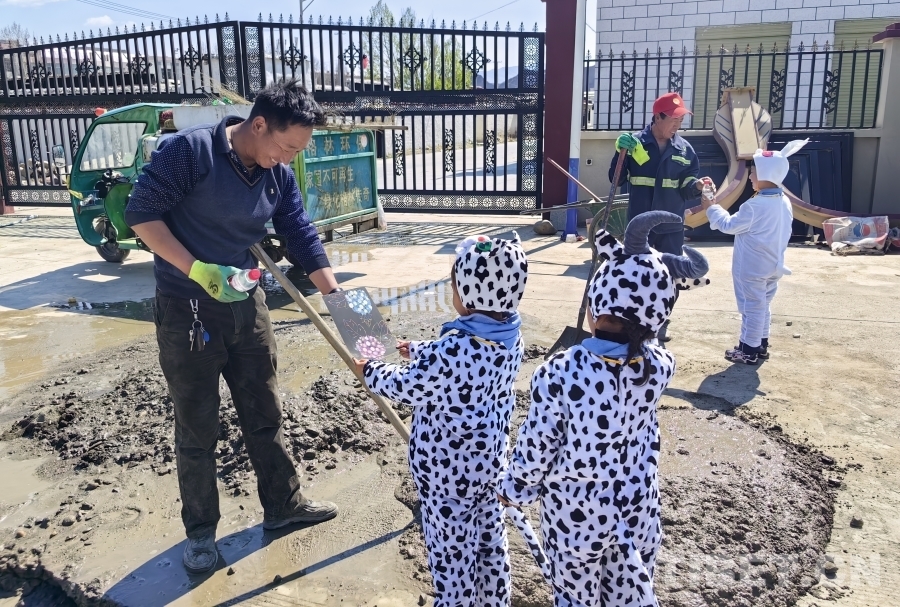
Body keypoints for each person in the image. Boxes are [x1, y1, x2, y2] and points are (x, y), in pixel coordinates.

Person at [124, 80, 340, 573]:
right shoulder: (191, 152)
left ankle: (283, 505)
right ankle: (201, 532)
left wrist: (342, 302)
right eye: (287, 147)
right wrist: (196, 269)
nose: (289, 159)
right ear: (258, 124)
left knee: (265, 409)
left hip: (247, 304)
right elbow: (141, 214)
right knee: (198, 424)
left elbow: (300, 233)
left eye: (297, 152)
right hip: (188, 311)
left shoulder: (277, 175)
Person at [497, 211, 709, 607]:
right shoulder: (660, 367)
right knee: (627, 592)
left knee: (576, 596)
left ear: (596, 300)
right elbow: (647, 336)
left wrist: (515, 489)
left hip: (575, 518)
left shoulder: (560, 372)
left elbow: (538, 445)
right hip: (637, 507)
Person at [353, 234, 529, 607]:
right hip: (489, 464)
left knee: (452, 553)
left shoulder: (452, 351)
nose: (452, 293)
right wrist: (418, 349)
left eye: (453, 286)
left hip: (447, 475)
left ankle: (454, 601)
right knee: (489, 541)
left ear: (468, 293)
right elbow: (463, 359)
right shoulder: (511, 336)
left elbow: (408, 386)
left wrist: (371, 371)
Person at [609, 92, 714, 342]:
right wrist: (620, 153)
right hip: (640, 227)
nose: (678, 125)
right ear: (658, 117)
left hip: (670, 226)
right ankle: (633, 319)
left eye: (681, 120)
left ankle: (660, 320)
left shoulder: (685, 150)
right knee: (636, 273)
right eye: (674, 119)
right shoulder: (635, 144)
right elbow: (616, 179)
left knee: (669, 275)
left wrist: (697, 186)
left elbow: (686, 186)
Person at [702, 146, 795, 365]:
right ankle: (760, 344)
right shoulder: (784, 201)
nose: (750, 176)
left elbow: (728, 225)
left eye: (753, 172)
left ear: (764, 176)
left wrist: (711, 207)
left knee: (751, 307)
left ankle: (748, 350)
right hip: (774, 264)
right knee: (763, 304)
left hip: (753, 267)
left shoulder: (754, 206)